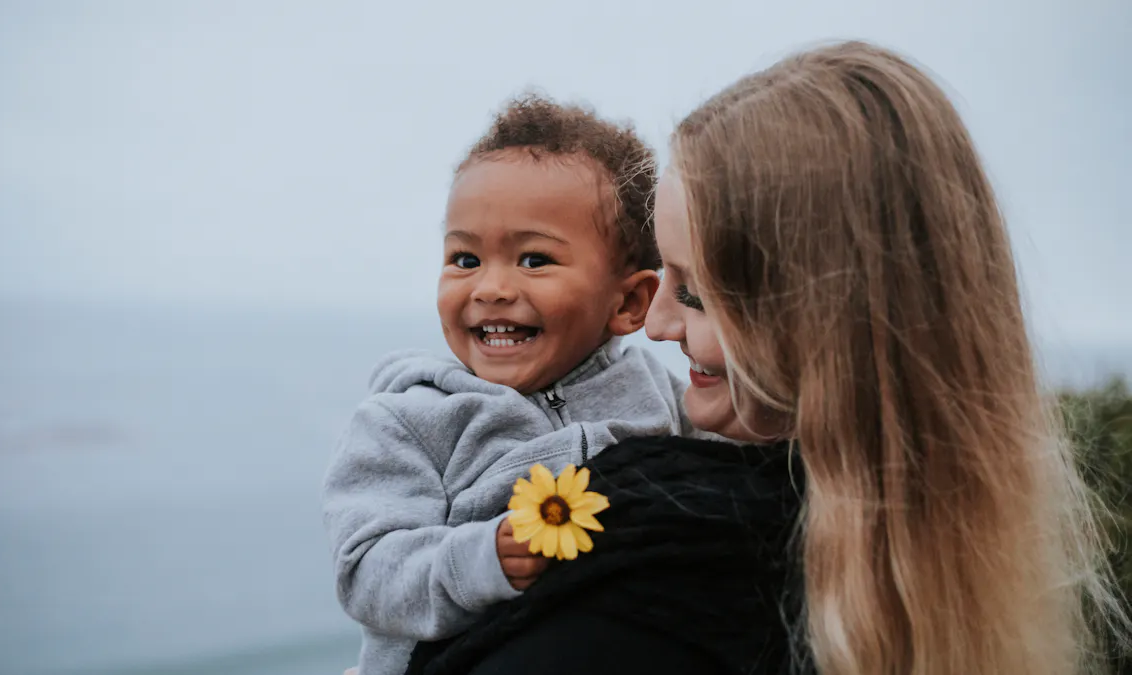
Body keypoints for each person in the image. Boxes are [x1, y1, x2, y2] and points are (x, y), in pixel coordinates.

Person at [405, 41, 1124, 675]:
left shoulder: (659, 562)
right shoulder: (940, 570)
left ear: (819, 322)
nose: (651, 326)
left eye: (692, 295)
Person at [323, 94, 711, 675]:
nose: (490, 288)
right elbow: (368, 571)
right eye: (464, 258)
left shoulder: (660, 394)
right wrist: (482, 560)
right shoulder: (407, 420)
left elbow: (730, 482)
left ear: (630, 302)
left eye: (533, 260)